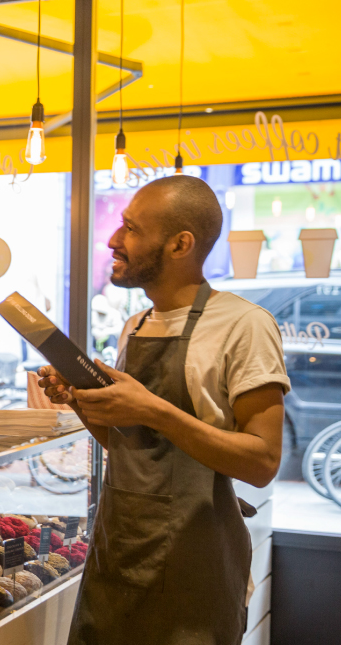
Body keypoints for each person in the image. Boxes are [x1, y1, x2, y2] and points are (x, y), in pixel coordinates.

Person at [38, 175, 289, 645]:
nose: (113, 240)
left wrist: (154, 409)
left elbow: (262, 462)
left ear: (180, 244)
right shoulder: (135, 326)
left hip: (195, 577)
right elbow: (131, 445)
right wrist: (81, 401)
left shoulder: (245, 325)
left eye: (131, 228)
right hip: (117, 561)